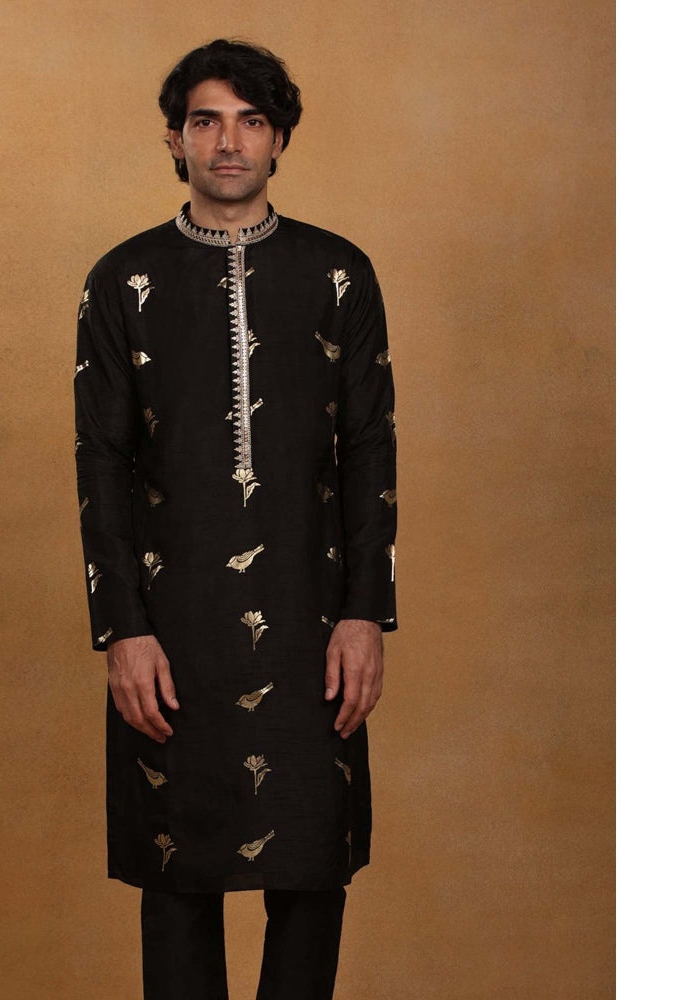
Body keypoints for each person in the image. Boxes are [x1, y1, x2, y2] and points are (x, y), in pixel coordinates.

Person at [74, 38, 397, 1000]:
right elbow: (102, 463)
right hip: (172, 629)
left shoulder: (339, 274)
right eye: (206, 121)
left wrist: (364, 616)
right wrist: (123, 630)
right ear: (175, 139)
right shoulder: (122, 279)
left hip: (309, 622)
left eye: (251, 122)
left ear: (279, 139)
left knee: (311, 875)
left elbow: (369, 451)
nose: (228, 142)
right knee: (178, 882)